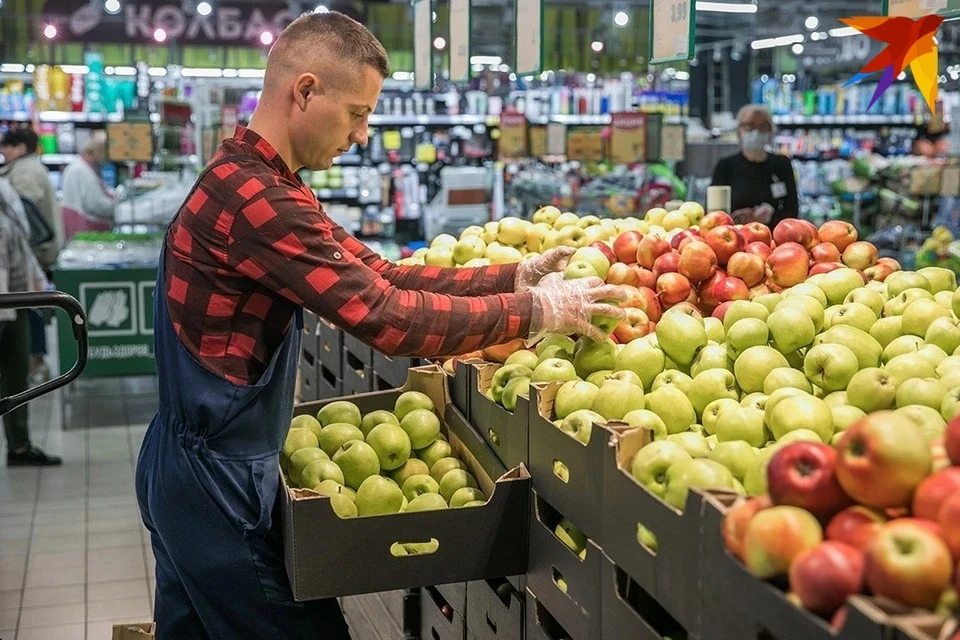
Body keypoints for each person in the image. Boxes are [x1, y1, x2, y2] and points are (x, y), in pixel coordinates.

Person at [134, 11, 626, 639]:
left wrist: (512, 277)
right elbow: (387, 317)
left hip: (188, 469)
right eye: (357, 113)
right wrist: (536, 313)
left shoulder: (257, 181)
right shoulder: (260, 202)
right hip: (216, 483)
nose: (364, 135)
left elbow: (380, 275)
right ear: (305, 92)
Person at [0, 176, 62, 466]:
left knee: (16, 375)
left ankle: (20, 446)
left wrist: (36, 281)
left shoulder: (5, 189)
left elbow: (20, 241)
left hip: (14, 297)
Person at [0, 127, 62, 382]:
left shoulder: (25, 172)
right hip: (33, 253)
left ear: (20, 148)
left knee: (30, 307)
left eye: (7, 146)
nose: (3, 152)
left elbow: (24, 215)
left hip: (33, 253)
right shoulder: (25, 169)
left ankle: (36, 360)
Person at [711, 105, 799, 227]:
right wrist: (741, 219)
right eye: (749, 126)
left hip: (774, 239)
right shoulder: (726, 166)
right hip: (734, 236)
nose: (756, 131)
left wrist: (767, 218)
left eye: (763, 126)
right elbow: (714, 215)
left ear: (770, 132)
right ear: (739, 131)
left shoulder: (782, 164)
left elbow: (792, 211)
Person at [61, 132, 117, 242]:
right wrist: (117, 206)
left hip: (77, 226)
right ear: (99, 151)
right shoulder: (81, 170)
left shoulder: (80, 167)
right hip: (85, 229)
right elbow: (96, 204)